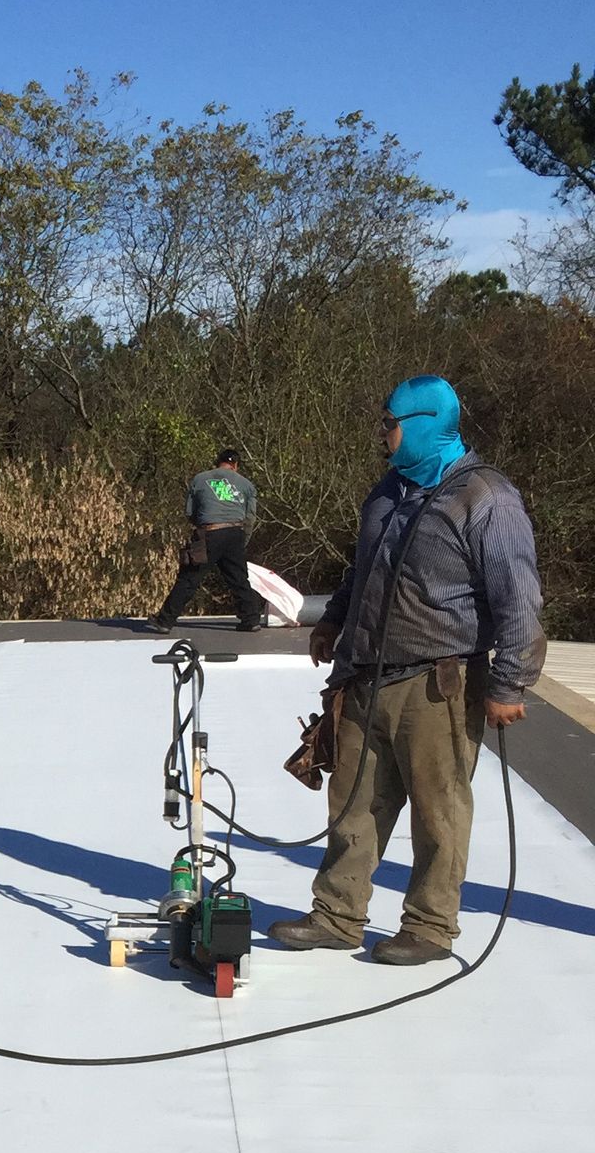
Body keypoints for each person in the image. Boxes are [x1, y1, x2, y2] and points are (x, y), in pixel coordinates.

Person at [269, 375, 544, 966]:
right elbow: (363, 569)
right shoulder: (388, 491)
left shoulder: (486, 498)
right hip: (365, 674)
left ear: (422, 423)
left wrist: (509, 682)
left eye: (389, 423)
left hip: (437, 685)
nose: (382, 435)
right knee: (352, 803)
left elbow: (518, 597)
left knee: (437, 809)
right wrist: (332, 621)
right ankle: (338, 915)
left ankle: (429, 925)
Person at [148, 449, 268, 633]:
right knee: (239, 579)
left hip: (210, 532)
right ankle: (251, 620)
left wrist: (201, 527)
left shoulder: (200, 479)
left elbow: (189, 511)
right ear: (236, 465)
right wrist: (242, 539)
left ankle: (164, 621)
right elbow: (250, 517)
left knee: (190, 577)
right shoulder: (246, 485)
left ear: (217, 462)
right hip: (235, 532)